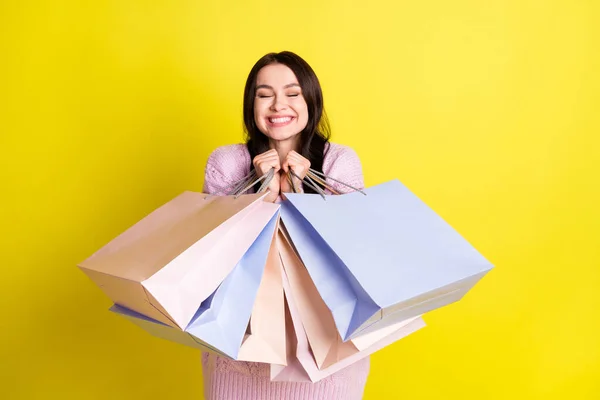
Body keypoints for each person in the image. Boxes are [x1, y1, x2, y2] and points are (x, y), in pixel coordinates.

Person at [202, 51, 369, 400]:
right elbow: (213, 253)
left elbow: (349, 255)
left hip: (325, 348)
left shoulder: (339, 162)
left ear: (311, 101)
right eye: (265, 94)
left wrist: (298, 191)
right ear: (252, 105)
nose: (279, 105)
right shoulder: (227, 162)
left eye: (292, 94)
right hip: (241, 347)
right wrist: (260, 192)